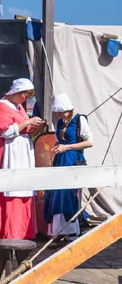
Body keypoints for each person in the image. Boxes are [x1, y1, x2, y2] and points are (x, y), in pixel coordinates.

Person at [0, 78, 45, 242]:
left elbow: (25, 130)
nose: (26, 98)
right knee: (8, 189)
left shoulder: (18, 107)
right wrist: (28, 121)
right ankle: (6, 231)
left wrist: (36, 127)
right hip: (9, 150)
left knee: (23, 187)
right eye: (25, 94)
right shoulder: (1, 106)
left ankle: (21, 230)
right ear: (17, 92)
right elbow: (6, 131)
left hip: (22, 150)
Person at [43, 93, 93, 246]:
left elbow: (89, 142)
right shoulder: (60, 122)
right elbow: (61, 139)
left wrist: (67, 147)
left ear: (67, 109)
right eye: (57, 111)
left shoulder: (79, 120)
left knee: (67, 195)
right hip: (61, 160)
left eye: (61, 111)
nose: (58, 114)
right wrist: (59, 146)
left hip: (72, 160)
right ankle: (58, 232)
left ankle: (71, 232)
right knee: (55, 195)